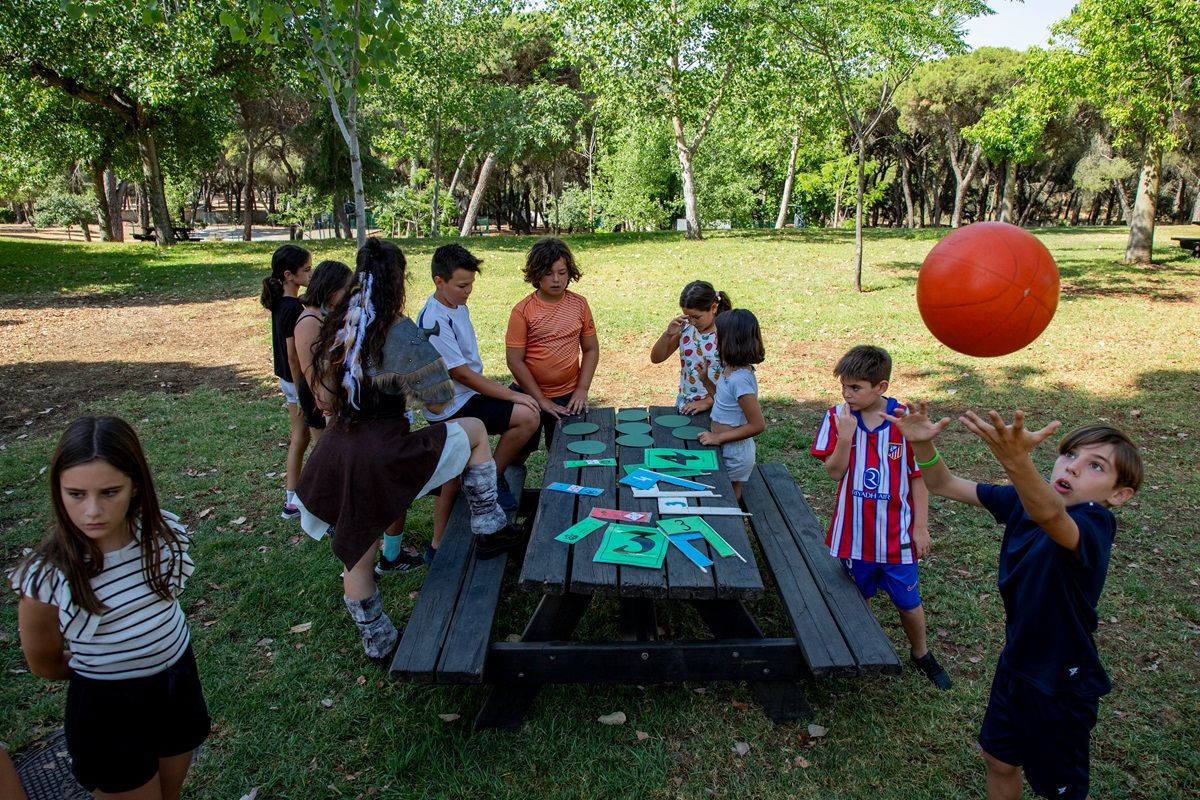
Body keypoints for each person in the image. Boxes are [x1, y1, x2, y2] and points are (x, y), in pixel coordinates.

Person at [887, 404, 1142, 800]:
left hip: (1062, 681)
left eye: (1096, 467)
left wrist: (1016, 461)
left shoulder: (1096, 524)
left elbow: (1053, 518)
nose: (1072, 467)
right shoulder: (1025, 501)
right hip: (1017, 661)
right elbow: (943, 484)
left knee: (1060, 791)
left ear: (1119, 495)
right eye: (1070, 455)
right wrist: (923, 446)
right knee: (999, 759)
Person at [296, 237, 525, 664]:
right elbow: (439, 401)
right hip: (384, 449)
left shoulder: (337, 325)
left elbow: (325, 399)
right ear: (398, 281)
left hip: (339, 450)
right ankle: (489, 526)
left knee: (358, 559)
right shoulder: (398, 329)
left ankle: (378, 643)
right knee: (474, 430)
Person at [10, 416, 210, 800]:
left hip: (177, 686)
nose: (92, 511)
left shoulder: (161, 535)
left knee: (170, 793)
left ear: (135, 485)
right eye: (76, 494)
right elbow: (44, 662)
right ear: (58, 490)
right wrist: (110, 666)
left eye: (109, 492)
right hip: (108, 711)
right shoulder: (47, 575)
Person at [810, 345, 950, 690]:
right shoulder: (837, 418)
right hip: (853, 536)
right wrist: (845, 438)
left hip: (896, 537)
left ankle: (921, 653)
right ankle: (857, 648)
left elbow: (919, 477)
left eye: (855, 387)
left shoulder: (905, 421)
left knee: (908, 602)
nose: (847, 394)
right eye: (843, 386)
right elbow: (834, 473)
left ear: (881, 387)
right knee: (857, 597)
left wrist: (920, 527)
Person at [417, 243, 539, 529]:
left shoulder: (455, 304)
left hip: (466, 396)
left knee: (525, 408)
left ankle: (489, 476)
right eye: (462, 285)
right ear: (439, 281)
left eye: (471, 284)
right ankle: (491, 477)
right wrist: (512, 395)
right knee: (528, 415)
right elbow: (464, 375)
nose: (468, 291)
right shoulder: (435, 318)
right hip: (452, 407)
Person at [505, 237, 599, 453]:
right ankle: (507, 483)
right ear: (536, 274)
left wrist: (582, 390)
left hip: (569, 396)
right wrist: (540, 399)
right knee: (518, 452)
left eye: (562, 272)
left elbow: (591, 349)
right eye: (548, 273)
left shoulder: (579, 304)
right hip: (527, 395)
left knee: (566, 451)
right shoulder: (523, 311)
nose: (556, 279)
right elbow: (514, 360)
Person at [261, 243, 313, 520]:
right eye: (306, 269)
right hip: (297, 382)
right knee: (311, 438)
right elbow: (294, 357)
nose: (310, 273)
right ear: (288, 275)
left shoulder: (281, 302)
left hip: (287, 381)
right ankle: (306, 500)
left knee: (299, 438)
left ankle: (291, 500)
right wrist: (304, 393)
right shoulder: (293, 309)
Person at [696, 309, 765, 501]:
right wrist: (705, 381)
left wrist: (719, 438)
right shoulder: (729, 370)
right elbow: (723, 400)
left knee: (728, 495)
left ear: (731, 341)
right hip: (724, 444)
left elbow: (757, 424)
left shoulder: (740, 380)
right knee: (721, 489)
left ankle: (733, 523)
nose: (715, 341)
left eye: (718, 337)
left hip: (735, 451)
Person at [649, 280, 731, 414]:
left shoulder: (726, 333)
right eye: (688, 316)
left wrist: (709, 401)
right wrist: (668, 334)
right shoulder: (686, 328)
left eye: (696, 317)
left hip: (719, 403)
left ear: (714, 308)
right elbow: (656, 358)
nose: (692, 321)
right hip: (687, 402)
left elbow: (733, 375)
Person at [294, 259, 352, 444]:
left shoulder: (328, 314)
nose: (350, 294)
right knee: (326, 454)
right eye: (346, 288)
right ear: (331, 288)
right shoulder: (309, 320)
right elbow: (309, 368)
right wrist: (325, 403)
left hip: (333, 394)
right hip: (318, 398)